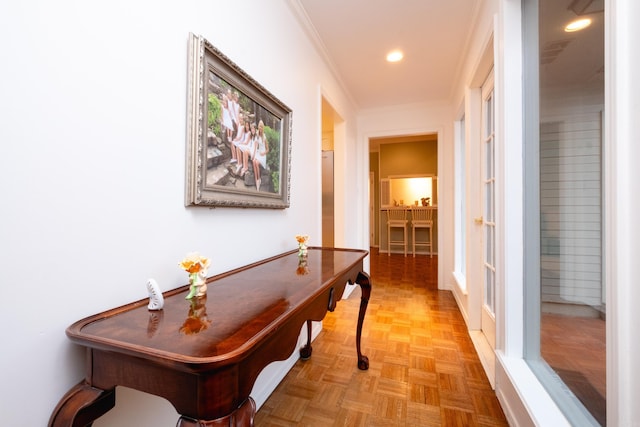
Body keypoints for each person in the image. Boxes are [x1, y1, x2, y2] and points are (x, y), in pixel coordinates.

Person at [252, 120, 269, 191]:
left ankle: (259, 179)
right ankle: (257, 180)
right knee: (254, 161)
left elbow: (268, 149)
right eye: (259, 126)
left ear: (263, 128)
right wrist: (253, 154)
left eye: (261, 127)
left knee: (256, 162)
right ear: (258, 127)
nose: (260, 128)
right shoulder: (257, 135)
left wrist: (264, 153)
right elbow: (255, 146)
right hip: (258, 153)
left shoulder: (264, 137)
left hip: (263, 155)